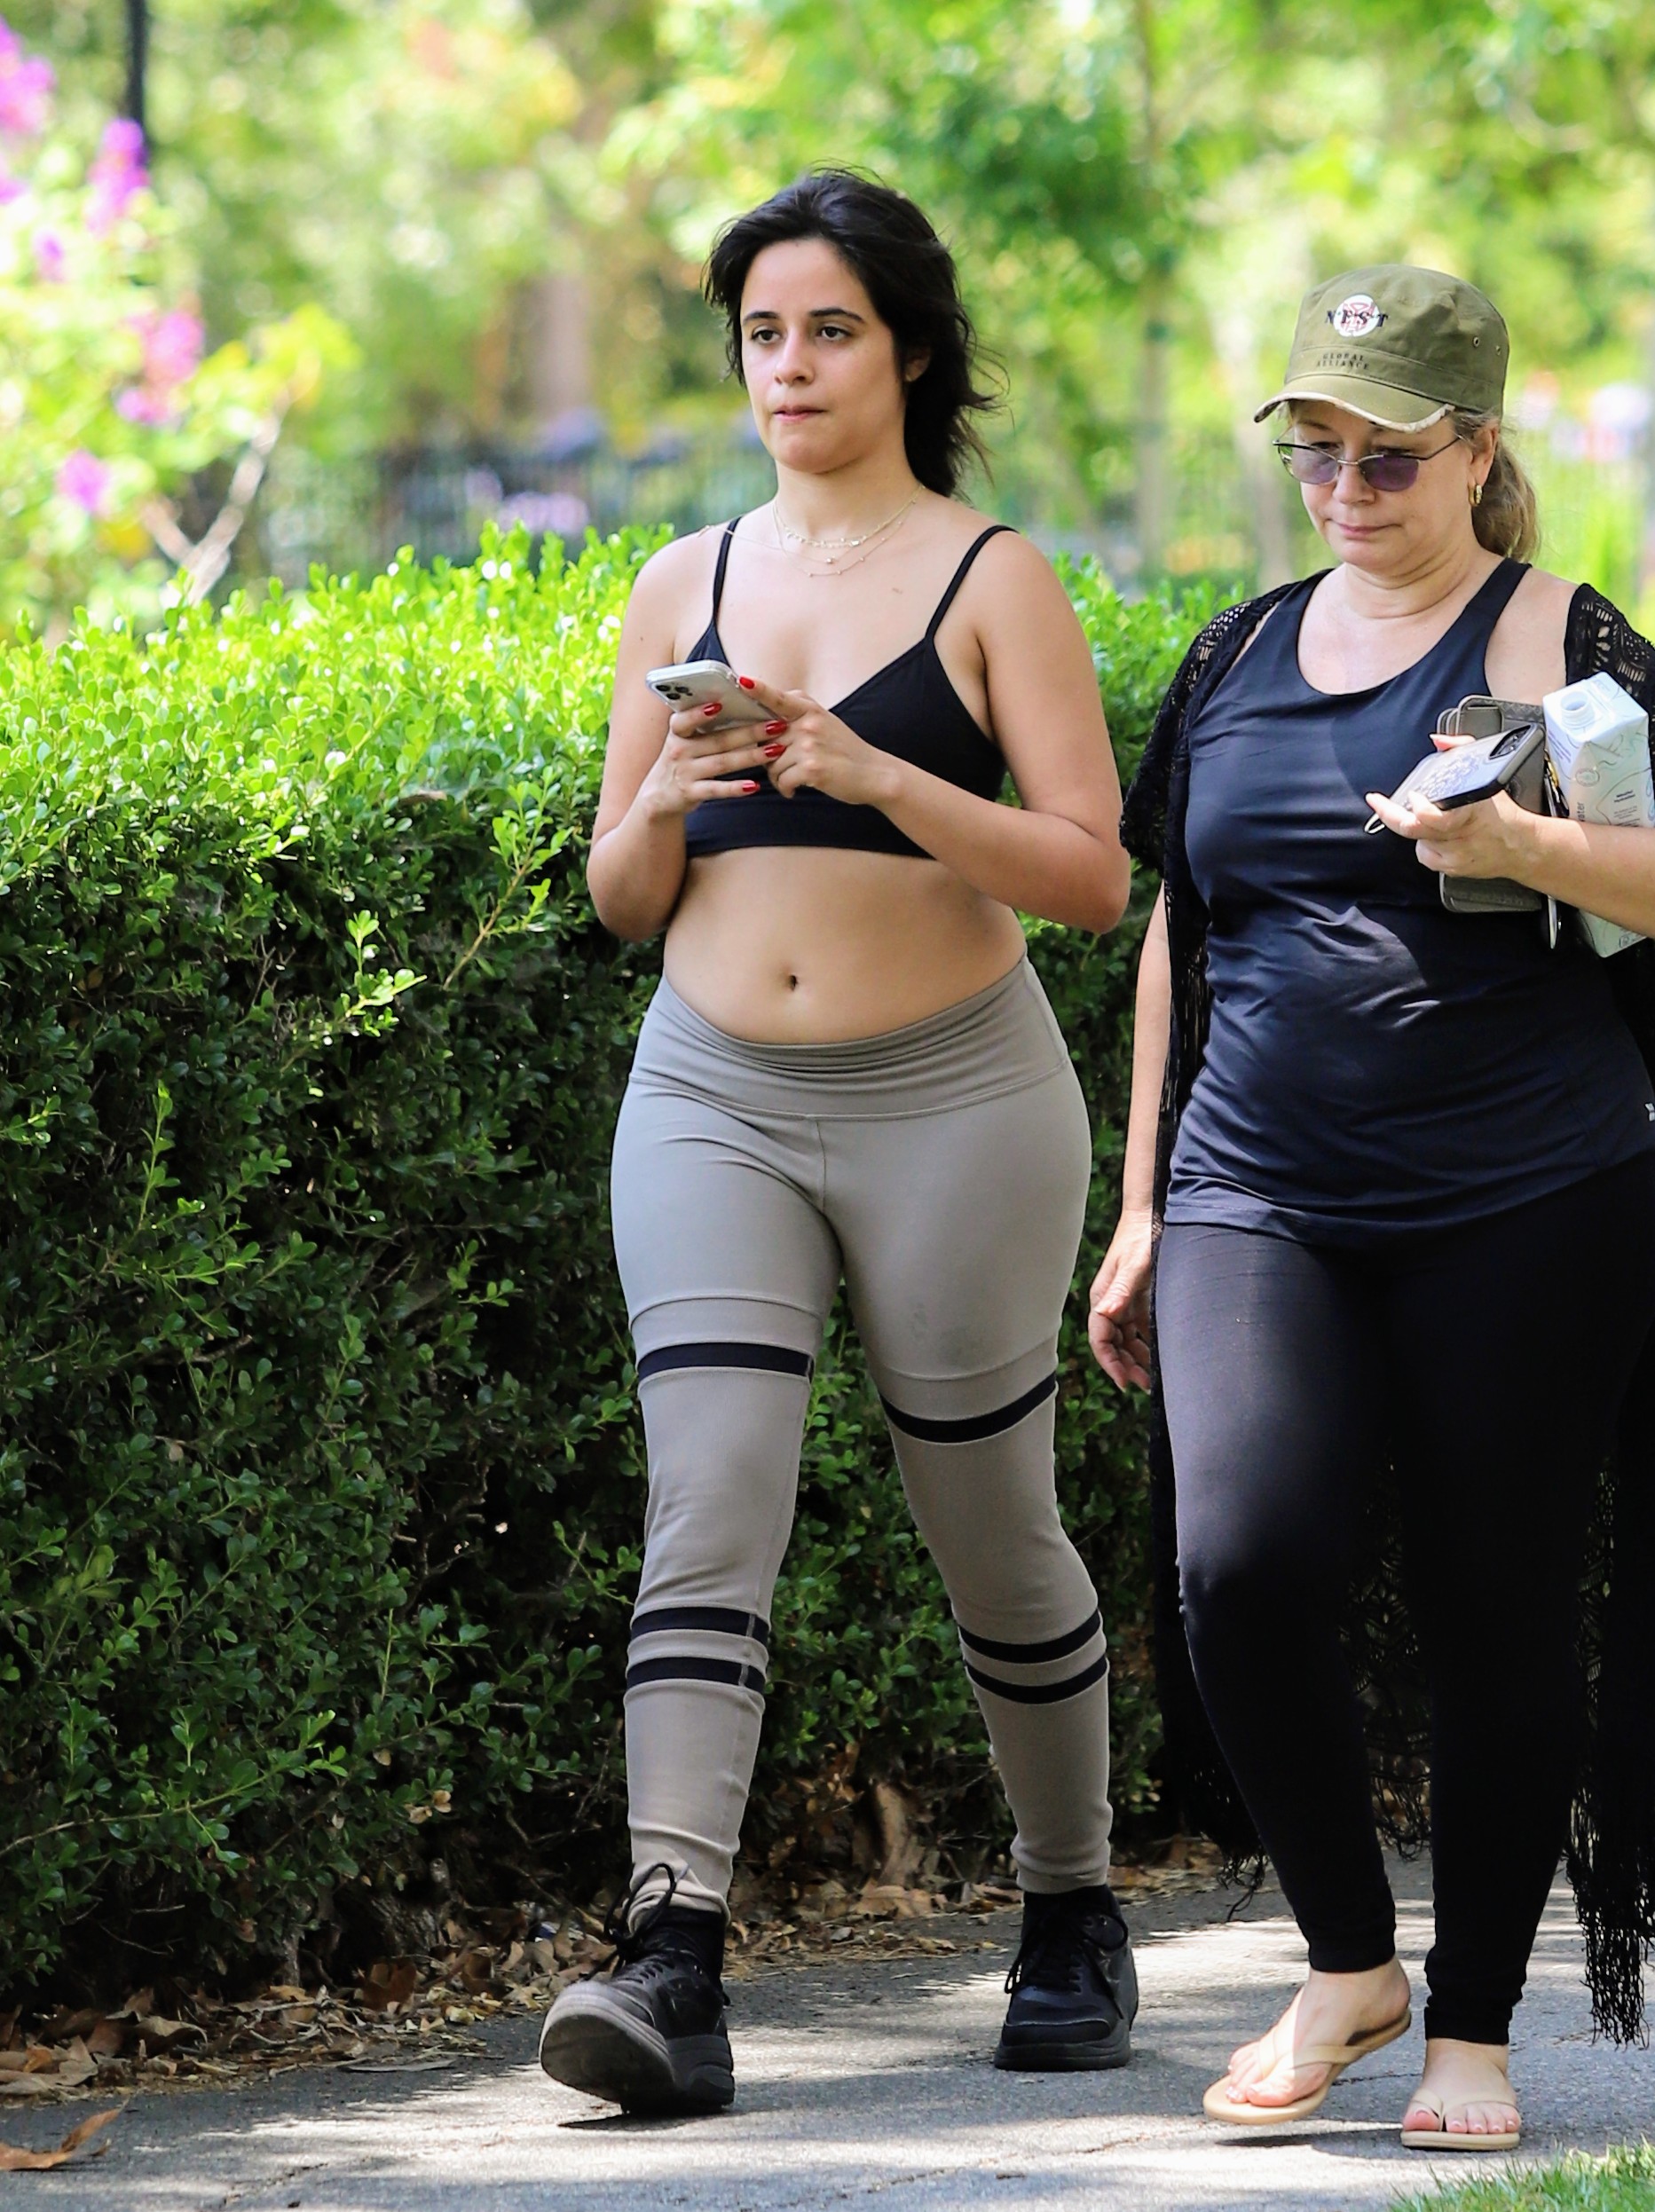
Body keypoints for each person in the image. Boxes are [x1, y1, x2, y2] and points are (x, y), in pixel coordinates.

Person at [538, 169, 1136, 2117]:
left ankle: (1070, 1900)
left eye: (829, 329)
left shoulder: (992, 578)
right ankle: (670, 1953)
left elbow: (1091, 876)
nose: (789, 366)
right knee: (708, 1501)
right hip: (711, 1089)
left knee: (992, 1521)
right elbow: (622, 894)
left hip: (955, 1097)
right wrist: (678, 786)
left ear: (911, 348)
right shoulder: (678, 583)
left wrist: (869, 768)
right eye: (762, 334)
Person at [1089, 264, 1655, 2153]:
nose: (1342, 485)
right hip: (1261, 1184)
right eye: (1314, 448)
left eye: (1386, 455)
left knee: (1506, 1602)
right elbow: (1186, 915)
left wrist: (1513, 842)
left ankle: (1474, 2019)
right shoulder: (1237, 653)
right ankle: (1349, 1955)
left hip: (1528, 1192)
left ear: (1478, 448)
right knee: (1238, 1558)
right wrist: (1144, 1201)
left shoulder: (1561, 641)